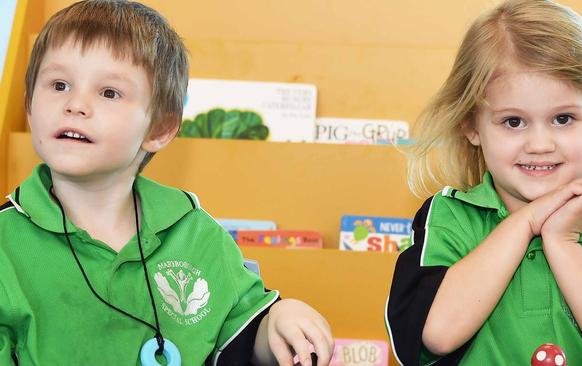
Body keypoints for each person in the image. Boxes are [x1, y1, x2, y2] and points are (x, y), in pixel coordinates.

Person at [0, 1, 333, 365]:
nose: (76, 104)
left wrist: (279, 321)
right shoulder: (6, 238)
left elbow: (244, 331)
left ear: (159, 129)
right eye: (59, 84)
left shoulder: (194, 231)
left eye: (109, 92)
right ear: (30, 104)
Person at [385, 0, 582, 365]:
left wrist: (563, 241)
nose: (540, 145)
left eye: (563, 118)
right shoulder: (448, 216)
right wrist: (526, 221)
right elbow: (438, 333)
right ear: (471, 126)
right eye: (513, 122)